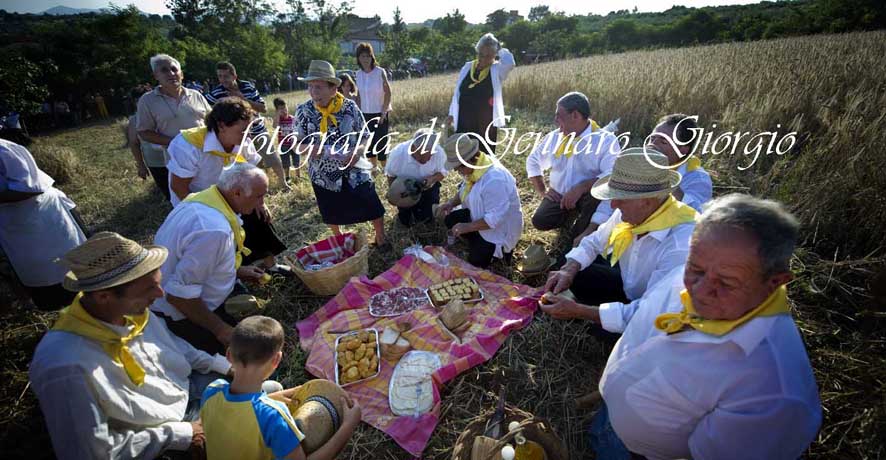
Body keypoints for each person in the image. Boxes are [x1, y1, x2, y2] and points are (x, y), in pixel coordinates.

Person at [581, 194, 822, 459]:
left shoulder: (774, 395)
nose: (699, 290)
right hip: (616, 418)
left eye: (727, 283)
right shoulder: (702, 267)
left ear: (775, 282)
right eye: (694, 269)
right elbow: (643, 315)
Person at [29, 232, 233, 459]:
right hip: (159, 436)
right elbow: (90, 453)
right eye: (149, 289)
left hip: (186, 393)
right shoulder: (65, 367)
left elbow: (176, 349)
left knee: (267, 389)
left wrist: (224, 366)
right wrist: (183, 435)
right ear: (104, 297)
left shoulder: (133, 312)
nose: (161, 293)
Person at [543, 148, 695, 337]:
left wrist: (580, 311)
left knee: (603, 331)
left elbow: (654, 312)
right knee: (573, 266)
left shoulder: (682, 244)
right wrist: (569, 269)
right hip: (631, 291)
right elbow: (594, 242)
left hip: (662, 318)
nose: (613, 205)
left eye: (620, 198)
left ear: (646, 201)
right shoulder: (636, 211)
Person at [200, 316, 362, 459]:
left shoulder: (212, 390)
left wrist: (271, 398)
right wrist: (348, 426)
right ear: (276, 360)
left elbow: (237, 412)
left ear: (228, 355)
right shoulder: (274, 417)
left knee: (274, 388)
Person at [151, 163, 271, 354]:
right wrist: (221, 330)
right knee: (241, 360)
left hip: (189, 303)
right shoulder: (214, 231)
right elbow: (179, 296)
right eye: (259, 196)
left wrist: (235, 271)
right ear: (237, 193)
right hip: (184, 316)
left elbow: (191, 259)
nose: (261, 202)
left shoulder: (201, 200)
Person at [166, 97, 287, 270]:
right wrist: (210, 214)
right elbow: (179, 187)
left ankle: (271, 265)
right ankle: (235, 275)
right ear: (222, 125)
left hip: (233, 195)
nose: (248, 135)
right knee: (220, 239)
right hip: (200, 203)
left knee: (258, 216)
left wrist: (260, 203)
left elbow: (251, 175)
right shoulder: (188, 144)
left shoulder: (243, 142)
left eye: (248, 130)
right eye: (242, 130)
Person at [295, 60, 388, 249]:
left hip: (354, 168)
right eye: (310, 87)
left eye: (319, 87)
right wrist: (312, 149)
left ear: (333, 88)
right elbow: (298, 144)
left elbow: (365, 136)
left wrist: (357, 151)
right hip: (323, 174)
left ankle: (380, 237)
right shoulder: (303, 111)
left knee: (371, 202)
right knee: (331, 209)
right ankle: (340, 239)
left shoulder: (349, 108)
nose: (313, 92)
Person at [0, 137, 87, 310]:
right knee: (40, 277)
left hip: (41, 218)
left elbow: (30, 187)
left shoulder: (4, 150)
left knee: (72, 269)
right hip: (13, 224)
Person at [526, 92, 621, 242]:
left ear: (575, 115)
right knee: (540, 220)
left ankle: (579, 236)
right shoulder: (554, 137)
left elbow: (612, 174)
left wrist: (581, 188)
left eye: (559, 115)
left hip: (588, 197)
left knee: (595, 198)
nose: (555, 119)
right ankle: (568, 216)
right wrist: (542, 189)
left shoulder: (606, 140)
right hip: (559, 195)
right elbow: (533, 160)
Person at [438, 133, 523, 268]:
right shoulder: (477, 166)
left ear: (467, 161)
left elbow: (494, 219)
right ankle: (476, 240)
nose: (456, 170)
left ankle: (499, 253)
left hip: (499, 230)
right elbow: (464, 190)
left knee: (476, 262)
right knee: (450, 220)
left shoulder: (495, 179)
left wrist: (466, 227)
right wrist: (450, 203)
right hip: (480, 216)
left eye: (458, 167)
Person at [136, 54, 212, 200]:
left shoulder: (196, 95)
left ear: (181, 74)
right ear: (156, 75)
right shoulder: (147, 101)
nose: (171, 73)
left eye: (174, 69)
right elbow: (144, 132)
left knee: (215, 195)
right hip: (178, 163)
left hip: (207, 157)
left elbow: (212, 120)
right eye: (164, 70)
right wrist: (177, 142)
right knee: (190, 200)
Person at [206, 61, 290, 192]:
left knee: (272, 158)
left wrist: (243, 98)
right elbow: (204, 107)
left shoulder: (247, 87)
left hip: (257, 130)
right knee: (251, 164)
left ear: (234, 76)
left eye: (226, 76)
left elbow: (263, 108)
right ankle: (260, 187)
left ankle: (283, 183)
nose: (222, 80)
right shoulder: (216, 93)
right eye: (220, 76)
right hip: (235, 136)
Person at [446, 33, 515, 154]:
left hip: (485, 120)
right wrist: (451, 113)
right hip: (464, 117)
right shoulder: (468, 67)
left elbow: (510, 63)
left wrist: (500, 49)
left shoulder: (497, 69)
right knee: (465, 150)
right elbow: (457, 92)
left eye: (488, 55)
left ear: (495, 54)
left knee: (483, 151)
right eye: (481, 54)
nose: (483, 58)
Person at [646, 113, 713, 212]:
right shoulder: (640, 164)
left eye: (663, 142)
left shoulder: (698, 178)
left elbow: (697, 214)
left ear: (683, 150)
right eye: (652, 138)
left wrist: (663, 176)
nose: (653, 144)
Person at [384, 128, 447, 227]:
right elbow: (390, 175)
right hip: (405, 188)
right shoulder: (398, 154)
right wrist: (395, 193)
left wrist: (432, 179)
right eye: (424, 155)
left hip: (428, 189)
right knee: (405, 221)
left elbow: (443, 173)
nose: (429, 158)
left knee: (426, 220)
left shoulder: (439, 152)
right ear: (413, 148)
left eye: (431, 154)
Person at [354, 42, 392, 169]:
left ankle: (387, 171)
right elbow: (359, 95)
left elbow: (388, 92)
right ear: (358, 58)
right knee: (369, 144)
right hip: (365, 114)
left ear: (372, 57)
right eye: (362, 56)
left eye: (368, 56)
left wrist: (383, 112)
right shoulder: (358, 74)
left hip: (380, 113)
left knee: (381, 143)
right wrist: (358, 114)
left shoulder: (380, 72)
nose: (365, 59)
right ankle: (373, 170)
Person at [272, 97, 299, 184]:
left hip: (293, 144)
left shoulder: (293, 118)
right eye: (281, 109)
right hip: (283, 145)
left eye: (285, 107)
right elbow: (275, 126)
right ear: (277, 111)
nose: (284, 110)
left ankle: (298, 176)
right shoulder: (279, 121)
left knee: (296, 160)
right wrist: (277, 115)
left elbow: (297, 130)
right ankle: (287, 177)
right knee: (286, 162)